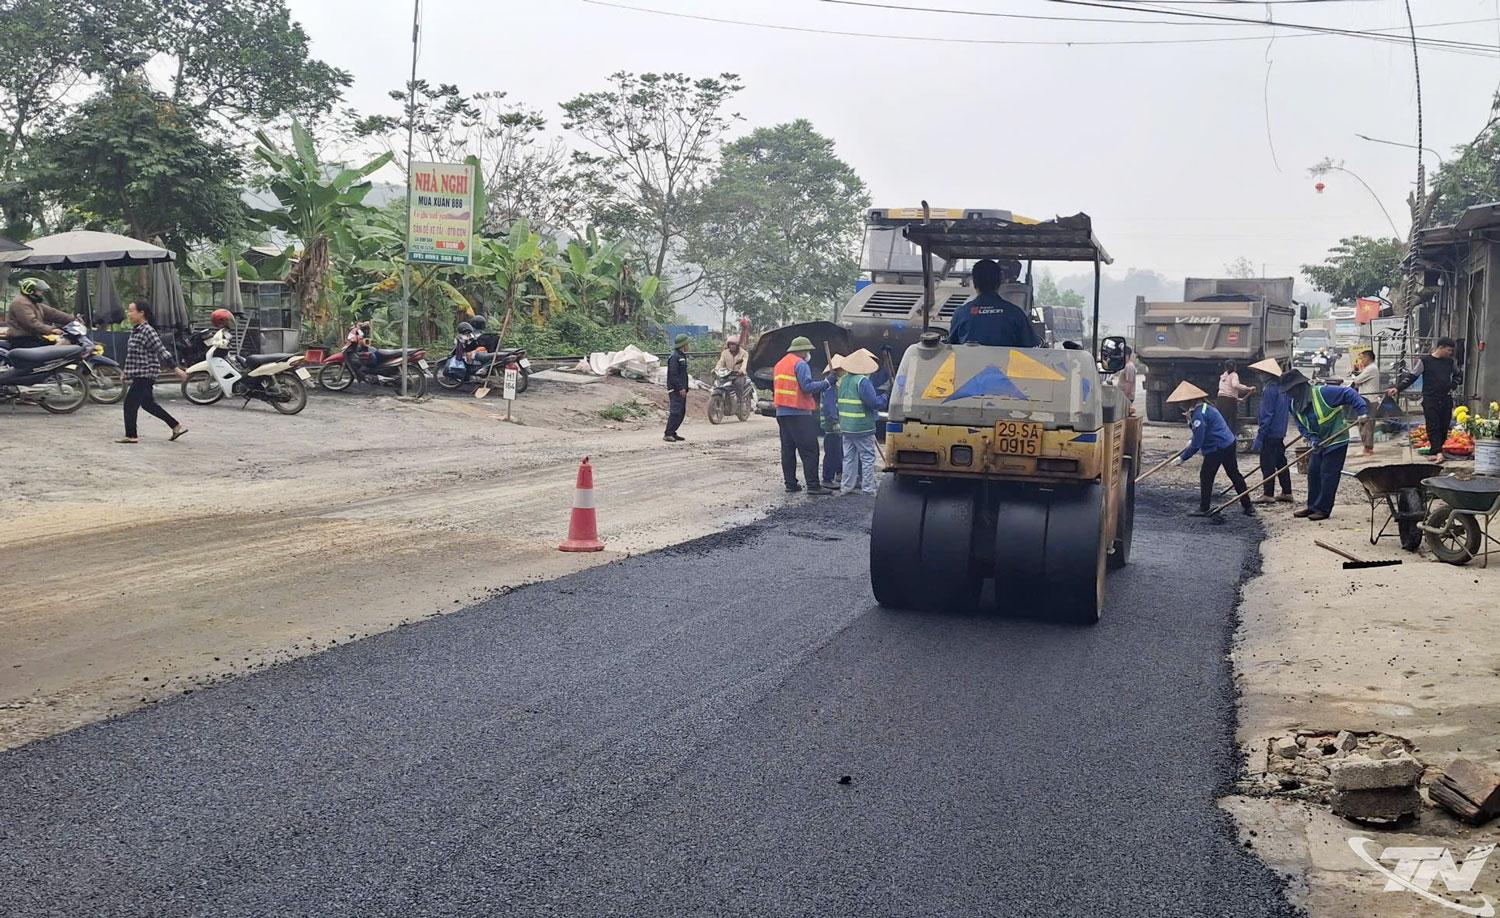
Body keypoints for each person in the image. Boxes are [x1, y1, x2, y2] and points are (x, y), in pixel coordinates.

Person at [1283, 368, 1367, 520]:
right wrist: (1312, 439)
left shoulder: (1323, 393)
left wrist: (1362, 412)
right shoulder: (1294, 405)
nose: (1289, 394)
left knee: (1328, 475)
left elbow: (1349, 393)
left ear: (1299, 387)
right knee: (1314, 473)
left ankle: (1323, 509)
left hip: (1336, 439)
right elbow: (1301, 426)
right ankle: (1312, 507)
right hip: (1320, 441)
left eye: (1291, 391)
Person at [1169, 381, 1255, 518]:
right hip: (1228, 442)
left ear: (1188, 401)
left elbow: (1198, 442)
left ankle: (1204, 508)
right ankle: (1248, 506)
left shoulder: (1198, 414)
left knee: (1206, 476)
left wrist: (1183, 457)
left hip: (1217, 447)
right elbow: (1201, 433)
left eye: (1181, 403)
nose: (1180, 406)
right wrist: (1192, 439)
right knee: (1234, 474)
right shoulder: (1205, 407)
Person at [118, 301, 188, 444]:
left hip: (145, 374)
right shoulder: (136, 330)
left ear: (141, 313)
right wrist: (125, 373)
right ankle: (175, 425)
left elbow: (161, 350)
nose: (129, 314)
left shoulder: (148, 331)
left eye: (131, 311)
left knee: (130, 403)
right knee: (148, 404)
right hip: (140, 373)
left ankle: (131, 435)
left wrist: (175, 368)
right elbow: (133, 356)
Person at [773, 335, 832, 494]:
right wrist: (827, 383)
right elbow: (807, 387)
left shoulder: (780, 364)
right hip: (799, 413)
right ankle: (813, 486)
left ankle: (790, 484)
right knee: (810, 449)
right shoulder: (800, 364)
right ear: (802, 351)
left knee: (788, 449)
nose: (808, 353)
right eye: (807, 350)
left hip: (782, 413)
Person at [1387, 337, 1459, 461]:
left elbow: (1458, 375)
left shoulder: (1450, 362)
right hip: (1430, 399)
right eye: (1448, 350)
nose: (1450, 353)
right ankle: (1438, 452)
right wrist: (1398, 388)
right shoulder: (1425, 361)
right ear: (1440, 347)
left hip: (1446, 398)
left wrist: (1453, 384)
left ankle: (1437, 450)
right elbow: (1412, 376)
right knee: (1433, 425)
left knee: (1444, 425)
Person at [946, 258, 1039, 348]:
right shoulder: (1016, 314)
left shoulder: (960, 313)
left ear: (974, 282)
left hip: (969, 363)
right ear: (1000, 280)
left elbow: (951, 347)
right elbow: (1030, 346)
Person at [835, 349, 888, 495]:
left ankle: (846, 487)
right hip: (862, 427)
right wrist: (885, 397)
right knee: (867, 458)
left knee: (849, 458)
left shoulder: (843, 381)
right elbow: (873, 403)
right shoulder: (862, 381)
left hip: (846, 426)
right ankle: (868, 489)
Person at [1248, 358, 1293, 504]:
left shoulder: (1270, 390)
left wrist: (1260, 436)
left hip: (1270, 432)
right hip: (1280, 431)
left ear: (1267, 374)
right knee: (1281, 462)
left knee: (1267, 463)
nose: (1259, 376)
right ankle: (1287, 492)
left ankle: (1268, 494)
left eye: (1261, 373)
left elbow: (1267, 414)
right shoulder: (1283, 389)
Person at [5, 278, 73, 349]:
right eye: (39, 291)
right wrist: (51, 329)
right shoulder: (20, 303)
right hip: (21, 340)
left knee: (59, 344)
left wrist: (72, 319)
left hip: (33, 337)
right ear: (30, 290)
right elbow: (31, 323)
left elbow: (54, 314)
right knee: (52, 350)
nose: (42, 293)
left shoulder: (35, 303)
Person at [1348, 349, 1382, 455]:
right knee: (1364, 423)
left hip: (1369, 400)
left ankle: (1367, 449)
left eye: (1362, 358)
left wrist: (1353, 375)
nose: (1361, 360)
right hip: (1367, 399)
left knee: (1366, 424)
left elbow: (1357, 380)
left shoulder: (1371, 368)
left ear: (1368, 358)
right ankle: (1367, 447)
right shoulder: (1369, 368)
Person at [664, 333, 689, 443]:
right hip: (676, 390)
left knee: (681, 412)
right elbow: (673, 375)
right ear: (683, 345)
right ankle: (668, 433)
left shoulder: (681, 356)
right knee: (675, 412)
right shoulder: (674, 357)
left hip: (682, 389)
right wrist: (680, 388)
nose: (689, 346)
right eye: (687, 344)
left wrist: (685, 387)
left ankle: (673, 432)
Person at [1217, 360, 1255, 432]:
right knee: (1231, 423)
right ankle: (1230, 440)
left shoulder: (1223, 376)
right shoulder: (1234, 375)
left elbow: (1225, 392)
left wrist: (1238, 399)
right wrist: (1248, 388)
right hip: (1229, 402)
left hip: (1220, 401)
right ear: (1235, 367)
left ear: (1225, 368)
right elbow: (1235, 385)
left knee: (1222, 422)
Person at [715, 335, 753, 406]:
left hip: (739, 375)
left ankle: (740, 402)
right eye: (730, 344)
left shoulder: (744, 353)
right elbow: (721, 362)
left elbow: (745, 363)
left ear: (737, 345)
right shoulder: (725, 353)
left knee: (738, 384)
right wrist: (716, 368)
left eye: (733, 344)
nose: (732, 346)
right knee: (718, 383)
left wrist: (741, 370)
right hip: (727, 374)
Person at [818, 379, 842, 490]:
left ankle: (838, 474)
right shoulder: (830, 389)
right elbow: (829, 406)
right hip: (832, 427)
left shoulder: (832, 387)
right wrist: (835, 421)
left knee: (837, 451)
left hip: (832, 426)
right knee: (832, 452)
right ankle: (827, 479)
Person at [1119, 345, 1138, 415]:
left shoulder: (1129, 366)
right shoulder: (1126, 365)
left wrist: (1124, 398)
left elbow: (1129, 383)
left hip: (1127, 397)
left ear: (1126, 355)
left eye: (1122, 354)